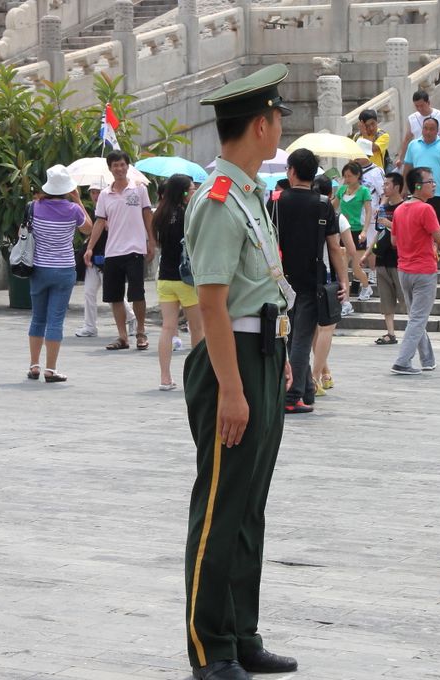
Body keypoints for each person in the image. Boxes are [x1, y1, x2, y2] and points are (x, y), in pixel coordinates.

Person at [183, 63, 298, 680]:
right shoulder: (221, 200)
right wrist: (231, 386)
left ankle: (241, 632)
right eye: (278, 118)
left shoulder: (250, 193)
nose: (279, 127)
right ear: (261, 124)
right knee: (221, 505)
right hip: (231, 366)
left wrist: (270, 362)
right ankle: (210, 645)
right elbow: (211, 300)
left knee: (250, 505)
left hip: (260, 356)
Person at [272, 148, 347, 414]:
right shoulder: (323, 204)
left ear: (291, 171)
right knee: (302, 338)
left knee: (291, 338)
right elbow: (334, 247)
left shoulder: (276, 202)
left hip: (280, 280)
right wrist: (343, 281)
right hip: (311, 280)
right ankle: (294, 396)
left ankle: (303, 391)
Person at [83, 150, 156, 351]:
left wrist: (151, 241)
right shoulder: (105, 195)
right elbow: (99, 222)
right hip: (112, 252)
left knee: (137, 294)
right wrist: (89, 248)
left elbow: (147, 215)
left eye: (122, 164)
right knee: (114, 296)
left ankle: (140, 332)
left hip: (135, 249)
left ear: (128, 166)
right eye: (115, 165)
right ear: (110, 168)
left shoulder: (139, 190)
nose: (119, 168)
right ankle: (122, 336)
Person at [25, 165, 90, 383]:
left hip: (39, 269)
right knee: (55, 320)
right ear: (67, 189)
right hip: (63, 270)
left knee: (37, 318)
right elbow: (88, 229)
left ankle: (34, 365)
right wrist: (78, 200)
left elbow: (23, 233)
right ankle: (50, 370)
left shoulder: (33, 207)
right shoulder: (73, 210)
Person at [389, 167, 440, 375]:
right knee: (418, 318)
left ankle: (427, 359)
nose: (434, 185)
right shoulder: (426, 209)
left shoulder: (400, 209)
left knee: (415, 316)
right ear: (418, 186)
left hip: (404, 270)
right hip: (423, 270)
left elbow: (393, 241)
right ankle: (403, 361)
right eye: (430, 182)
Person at [153, 173, 203, 390]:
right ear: (183, 193)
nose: (194, 193)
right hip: (187, 279)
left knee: (167, 328)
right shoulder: (188, 215)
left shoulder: (159, 214)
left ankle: (165, 377)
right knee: (197, 329)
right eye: (192, 189)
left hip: (165, 277)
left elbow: (157, 244)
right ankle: (198, 377)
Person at [74, 180, 136, 338]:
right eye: (92, 192)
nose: (95, 195)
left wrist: (111, 224)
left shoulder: (112, 207)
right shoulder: (93, 210)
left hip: (109, 258)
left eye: (98, 191)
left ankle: (132, 318)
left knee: (114, 295)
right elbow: (88, 228)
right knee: (89, 293)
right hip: (93, 259)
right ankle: (89, 326)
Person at [309, 175, 349, 393]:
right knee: (327, 328)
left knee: (315, 329)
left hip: (304, 275)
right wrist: (348, 278)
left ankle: (325, 373)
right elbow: (341, 249)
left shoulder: (304, 211)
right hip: (326, 275)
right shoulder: (335, 215)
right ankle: (315, 377)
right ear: (331, 193)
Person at [402, 117, 440, 230]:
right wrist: (404, 187)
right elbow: (407, 167)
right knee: (417, 227)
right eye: (425, 128)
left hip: (437, 193)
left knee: (437, 229)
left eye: (432, 129)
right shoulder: (413, 145)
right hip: (417, 193)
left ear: (438, 131)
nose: (428, 132)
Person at [372, 171, 405, 346]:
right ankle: (390, 333)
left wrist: (390, 224)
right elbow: (379, 232)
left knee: (404, 297)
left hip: (399, 259)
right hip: (382, 258)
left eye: (387, 184)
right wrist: (368, 253)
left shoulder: (405, 207)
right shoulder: (383, 207)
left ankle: (416, 330)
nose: (384, 187)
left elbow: (408, 231)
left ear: (397, 187)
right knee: (385, 299)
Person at [334, 161, 375, 301]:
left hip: (357, 232)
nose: (346, 179)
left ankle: (366, 286)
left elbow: (369, 211)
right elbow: (333, 207)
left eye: (349, 176)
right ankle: (345, 300)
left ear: (358, 175)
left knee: (356, 268)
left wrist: (364, 231)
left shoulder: (364, 191)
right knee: (343, 266)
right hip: (343, 232)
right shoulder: (341, 190)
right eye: (345, 176)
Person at [396, 90, 440, 164]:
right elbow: (407, 140)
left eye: (422, 105)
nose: (420, 109)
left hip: (437, 157)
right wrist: (401, 159)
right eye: (417, 106)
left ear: (428, 103)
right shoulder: (412, 119)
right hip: (418, 158)